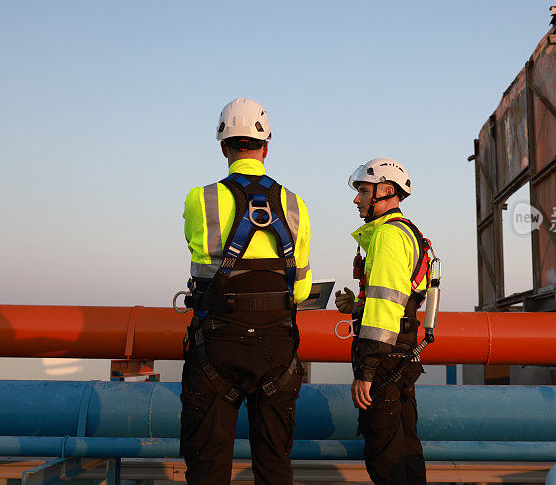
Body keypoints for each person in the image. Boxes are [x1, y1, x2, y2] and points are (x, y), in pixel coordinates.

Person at [180, 98, 312, 485]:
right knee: (274, 466)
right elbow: (300, 289)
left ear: (224, 147)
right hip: (276, 347)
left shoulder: (199, 199)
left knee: (207, 466)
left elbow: (200, 258)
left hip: (216, 344)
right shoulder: (295, 204)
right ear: (266, 147)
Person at [334, 158, 430, 485]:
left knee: (385, 457)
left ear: (386, 191)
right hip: (402, 355)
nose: (356, 198)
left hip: (385, 360)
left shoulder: (388, 236)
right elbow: (398, 300)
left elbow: (385, 310)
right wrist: (356, 305)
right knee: (405, 449)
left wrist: (366, 370)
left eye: (363, 190)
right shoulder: (406, 233)